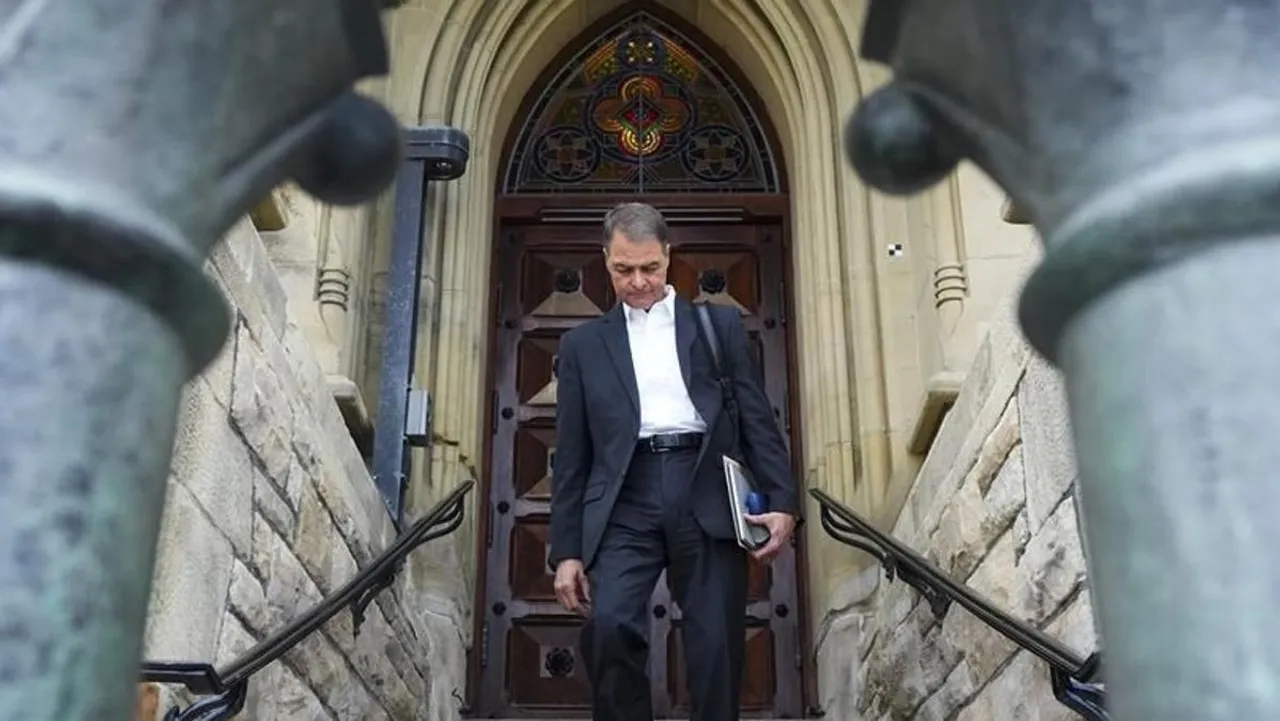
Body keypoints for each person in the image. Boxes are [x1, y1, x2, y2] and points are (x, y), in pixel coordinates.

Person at [548, 201, 799, 721]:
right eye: (623, 270)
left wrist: (782, 502)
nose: (638, 281)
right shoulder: (582, 346)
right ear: (605, 261)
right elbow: (572, 456)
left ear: (667, 256)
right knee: (610, 625)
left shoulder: (720, 326)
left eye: (649, 267)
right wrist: (566, 552)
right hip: (623, 498)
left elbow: (757, 419)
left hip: (703, 485)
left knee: (714, 644)